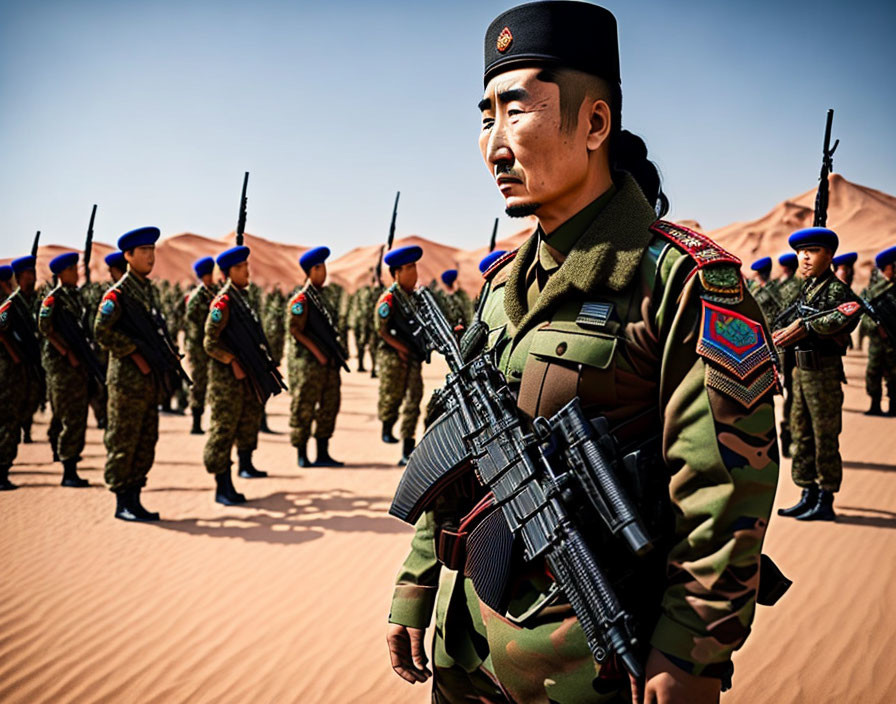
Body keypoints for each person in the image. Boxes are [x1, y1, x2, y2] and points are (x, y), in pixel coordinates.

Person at [387, 4, 780, 702]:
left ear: (594, 124)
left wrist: (690, 655)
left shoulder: (680, 281)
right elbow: (460, 450)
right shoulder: (502, 285)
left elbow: (725, 494)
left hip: (587, 668)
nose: (495, 143)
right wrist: (417, 582)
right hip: (467, 648)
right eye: (485, 117)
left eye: (517, 110)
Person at [773, 227, 862, 521]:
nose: (805, 258)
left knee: (824, 435)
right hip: (800, 371)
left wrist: (807, 326)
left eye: (813, 251)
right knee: (801, 432)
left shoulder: (835, 289)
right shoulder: (807, 288)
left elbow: (848, 313)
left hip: (823, 373)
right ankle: (806, 491)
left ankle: (825, 497)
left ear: (830, 256)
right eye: (801, 252)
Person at [94, 227, 177, 521]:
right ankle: (122, 502)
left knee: (145, 439)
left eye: (152, 250)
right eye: (144, 251)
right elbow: (101, 331)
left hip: (148, 381)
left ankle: (135, 497)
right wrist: (133, 353)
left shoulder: (148, 290)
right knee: (123, 439)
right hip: (126, 382)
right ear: (128, 256)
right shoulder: (117, 294)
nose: (150, 257)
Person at [203, 245, 272, 506]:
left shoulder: (242, 299)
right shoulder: (223, 302)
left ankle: (236, 475)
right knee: (223, 431)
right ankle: (222, 486)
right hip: (226, 383)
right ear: (229, 272)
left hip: (244, 380)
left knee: (243, 425)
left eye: (247, 266)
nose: (247, 271)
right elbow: (209, 342)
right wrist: (231, 360)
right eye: (241, 268)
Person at [38, 252, 99, 487]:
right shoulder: (52, 301)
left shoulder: (76, 298)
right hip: (61, 367)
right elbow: (46, 329)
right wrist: (67, 353)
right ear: (61, 274)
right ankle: (68, 470)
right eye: (72, 269)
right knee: (69, 416)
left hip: (78, 366)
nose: (76, 273)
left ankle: (71, 463)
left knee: (77, 415)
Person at [286, 247, 346, 467]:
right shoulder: (301, 300)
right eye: (319, 268)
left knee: (330, 406)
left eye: (324, 267)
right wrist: (318, 353)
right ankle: (302, 453)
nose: (324, 272)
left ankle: (323, 452)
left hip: (328, 364)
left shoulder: (324, 298)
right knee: (305, 407)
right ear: (309, 271)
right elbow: (295, 330)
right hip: (308, 365)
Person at [375, 246, 426, 466]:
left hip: (413, 357)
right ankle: (387, 425)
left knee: (413, 399)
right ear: (396, 273)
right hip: (393, 358)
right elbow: (382, 330)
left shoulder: (415, 298)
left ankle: (408, 446)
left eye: (415, 267)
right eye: (408, 268)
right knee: (392, 395)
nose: (413, 273)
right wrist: (401, 349)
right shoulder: (389, 300)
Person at [0, 264, 30, 490]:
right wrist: (14, 354)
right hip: (6, 371)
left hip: (10, 369)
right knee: (7, 420)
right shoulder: (6, 306)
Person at [10, 255, 44, 444]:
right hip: (16, 362)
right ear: (19, 277)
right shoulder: (11, 304)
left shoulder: (37, 302)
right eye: (28, 274)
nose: (32, 277)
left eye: (33, 273)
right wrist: (14, 353)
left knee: (33, 397)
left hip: (33, 358)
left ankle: (27, 428)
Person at [860, 246, 896, 416]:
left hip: (893, 342)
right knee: (873, 372)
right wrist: (877, 326)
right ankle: (875, 404)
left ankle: (894, 405)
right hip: (877, 341)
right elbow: (863, 317)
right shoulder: (871, 292)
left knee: (894, 374)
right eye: (893, 267)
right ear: (885, 269)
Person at [185, 256, 217, 434]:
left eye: (210, 274)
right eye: (206, 275)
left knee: (215, 383)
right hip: (198, 347)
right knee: (199, 383)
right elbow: (193, 324)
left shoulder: (215, 293)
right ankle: (196, 421)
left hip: (212, 346)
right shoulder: (196, 298)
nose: (209, 278)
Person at [774, 251, 801, 456]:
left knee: (790, 395)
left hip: (786, 349)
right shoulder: (799, 286)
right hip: (789, 348)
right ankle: (789, 436)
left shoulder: (784, 288)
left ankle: (788, 435)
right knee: (791, 394)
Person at [748, 256, 781, 325]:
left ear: (760, 275)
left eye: (756, 274)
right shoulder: (761, 287)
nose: (754, 277)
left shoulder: (769, 290)